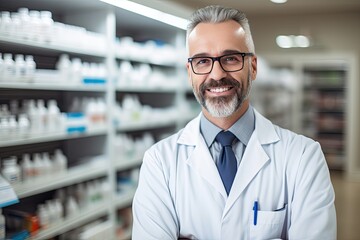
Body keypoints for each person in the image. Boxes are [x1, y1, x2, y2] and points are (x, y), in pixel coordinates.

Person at [132, 5, 336, 240]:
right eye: (202, 61)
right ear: (190, 72)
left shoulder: (303, 157)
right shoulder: (160, 162)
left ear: (253, 67)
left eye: (230, 58)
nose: (216, 74)